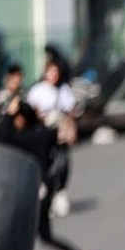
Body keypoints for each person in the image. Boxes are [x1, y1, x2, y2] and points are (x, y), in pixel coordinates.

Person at [0, 99, 100, 250]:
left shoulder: (29, 137)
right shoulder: (41, 133)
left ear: (22, 118)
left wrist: (8, 115)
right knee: (35, 236)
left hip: (38, 194)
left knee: (38, 236)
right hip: (37, 192)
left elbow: (5, 136)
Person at [26, 61, 77, 217]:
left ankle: (60, 193)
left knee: (62, 162)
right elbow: (31, 112)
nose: (54, 75)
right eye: (51, 72)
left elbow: (69, 112)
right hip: (44, 132)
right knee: (45, 163)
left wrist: (71, 129)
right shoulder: (38, 90)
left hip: (60, 132)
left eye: (56, 72)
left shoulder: (63, 90)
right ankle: (46, 195)